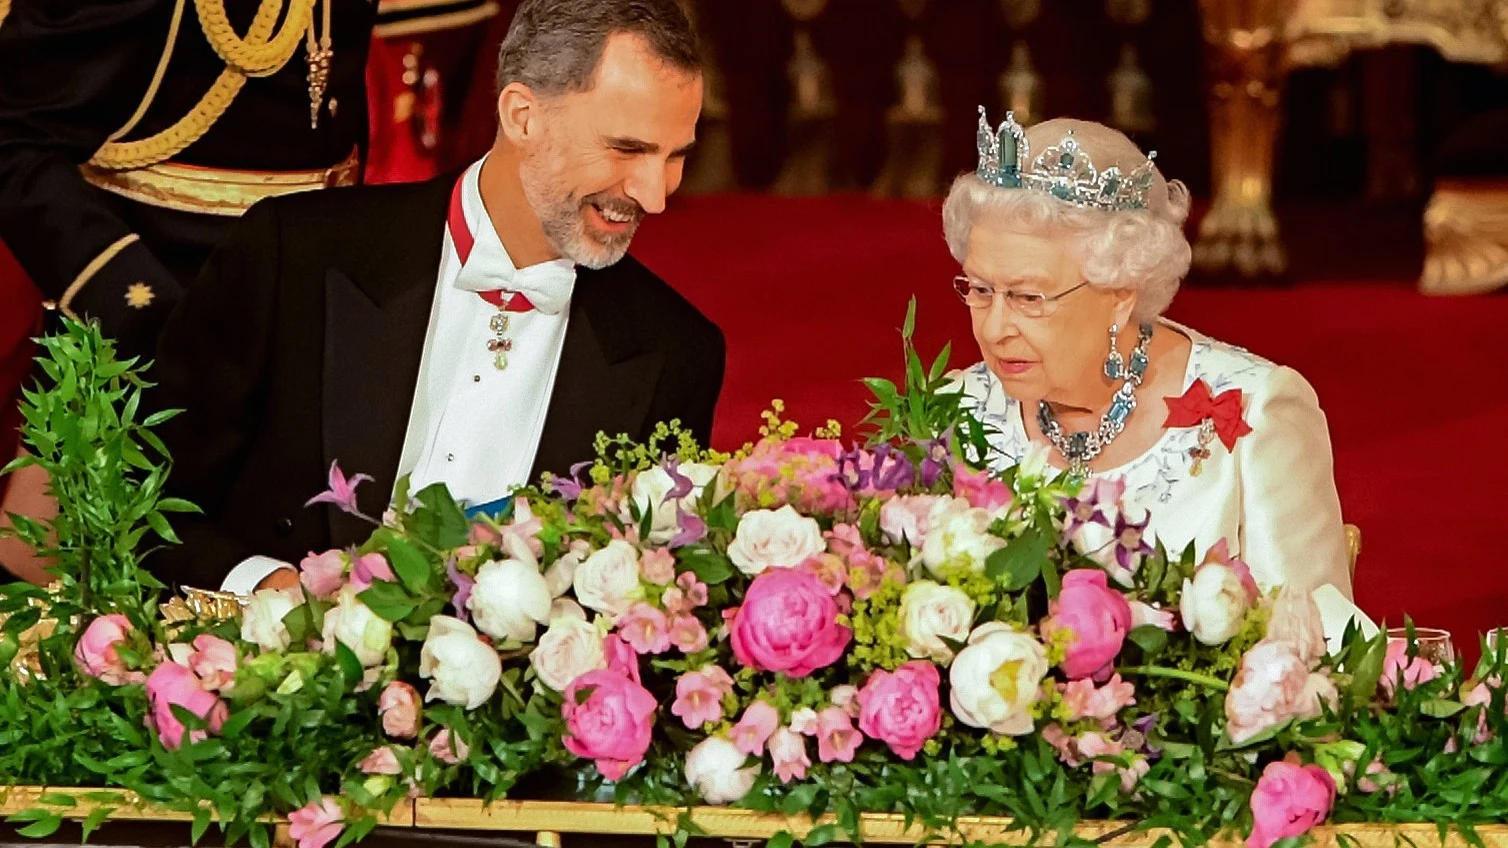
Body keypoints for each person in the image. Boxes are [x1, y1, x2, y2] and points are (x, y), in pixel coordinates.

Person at [144, 0, 724, 593]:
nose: (655, 196)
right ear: (523, 117)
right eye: (627, 149)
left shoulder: (677, 352)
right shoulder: (295, 254)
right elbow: (145, 503)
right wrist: (263, 589)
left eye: (676, 155)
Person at [947, 111, 1363, 636]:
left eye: (1029, 298)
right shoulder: (954, 412)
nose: (996, 327)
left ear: (1121, 293)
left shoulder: (1258, 413)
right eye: (980, 291)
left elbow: (1320, 652)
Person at [0, 0, 375, 583]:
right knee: (84, 609)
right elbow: (13, 134)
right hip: (147, 348)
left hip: (298, 332)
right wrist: (133, 303)